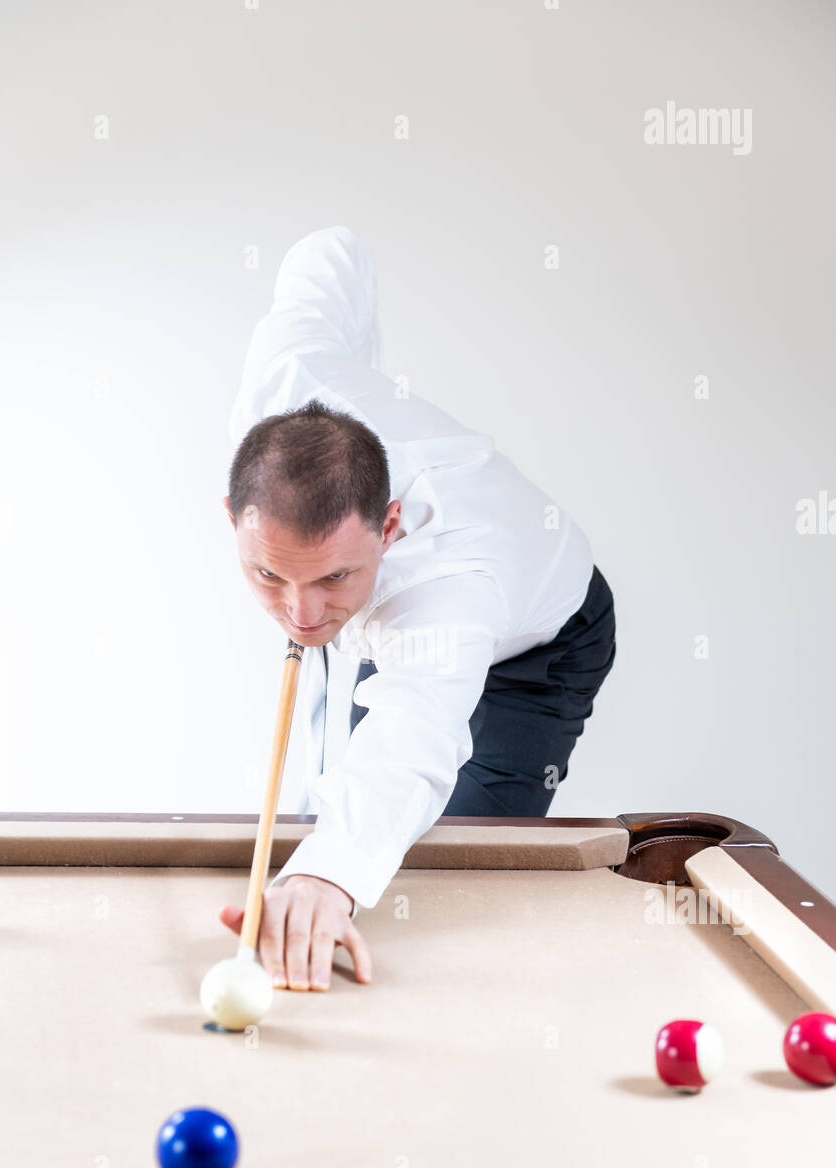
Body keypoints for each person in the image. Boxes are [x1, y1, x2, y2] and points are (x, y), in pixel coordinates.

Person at [220, 227, 616, 992]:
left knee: (446, 862)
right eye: (269, 574)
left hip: (544, 648)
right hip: (394, 608)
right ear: (231, 516)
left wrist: (331, 874)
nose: (299, 616)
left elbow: (414, 735)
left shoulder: (447, 587)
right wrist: (356, 381)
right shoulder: (287, 371)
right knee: (348, 810)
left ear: (390, 527)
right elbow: (330, 252)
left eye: (332, 577)